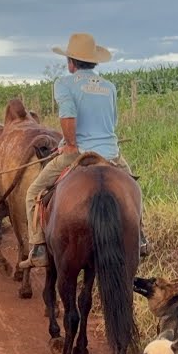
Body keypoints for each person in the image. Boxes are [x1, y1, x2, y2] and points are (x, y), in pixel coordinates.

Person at [23, 32, 148, 268]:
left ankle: (38, 245)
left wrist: (70, 144)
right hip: (110, 153)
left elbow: (68, 113)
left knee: (33, 192)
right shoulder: (109, 87)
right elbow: (112, 120)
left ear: (71, 63)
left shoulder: (64, 83)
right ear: (94, 61)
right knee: (134, 188)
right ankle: (140, 235)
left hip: (77, 154)